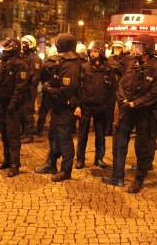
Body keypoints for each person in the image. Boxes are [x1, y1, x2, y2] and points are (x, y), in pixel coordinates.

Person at [102, 34, 157, 194]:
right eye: (134, 46)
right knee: (119, 142)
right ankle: (117, 176)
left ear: (148, 48)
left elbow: (155, 93)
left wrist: (135, 104)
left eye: (139, 46)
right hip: (127, 110)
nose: (135, 49)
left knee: (142, 146)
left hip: (145, 113)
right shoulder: (131, 63)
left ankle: (139, 179)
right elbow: (121, 84)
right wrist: (123, 100)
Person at [35, 33, 82, 182]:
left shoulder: (71, 65)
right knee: (53, 135)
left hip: (65, 108)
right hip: (57, 107)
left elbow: (66, 90)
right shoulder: (64, 62)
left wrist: (50, 89)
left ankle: (66, 170)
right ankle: (51, 163)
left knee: (64, 139)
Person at [76, 41, 117, 169]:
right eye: (90, 52)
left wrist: (109, 105)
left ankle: (99, 158)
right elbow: (78, 87)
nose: (92, 54)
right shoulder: (84, 67)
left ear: (101, 52)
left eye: (95, 51)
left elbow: (113, 88)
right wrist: (78, 105)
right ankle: (80, 159)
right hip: (86, 106)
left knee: (100, 134)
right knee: (82, 134)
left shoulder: (108, 69)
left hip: (102, 107)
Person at [0, 37, 29, 177]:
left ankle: (15, 164)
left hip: (13, 105)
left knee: (13, 135)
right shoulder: (2, 63)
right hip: (2, 103)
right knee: (4, 134)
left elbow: (20, 88)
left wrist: (13, 104)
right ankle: (7, 160)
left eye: (5, 49)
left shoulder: (21, 65)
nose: (2, 52)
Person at [20, 35, 42, 144]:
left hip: (29, 89)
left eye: (26, 43)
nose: (24, 45)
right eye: (23, 43)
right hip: (22, 88)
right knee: (23, 111)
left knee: (28, 111)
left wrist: (29, 88)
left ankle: (29, 135)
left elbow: (35, 76)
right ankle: (24, 132)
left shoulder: (35, 58)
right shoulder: (22, 56)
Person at [35, 45, 59, 137]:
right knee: (55, 111)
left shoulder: (45, 64)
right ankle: (54, 129)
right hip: (56, 90)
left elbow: (41, 77)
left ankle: (40, 129)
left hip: (46, 91)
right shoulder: (60, 64)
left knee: (43, 111)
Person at [106, 40, 128, 136]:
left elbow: (126, 71)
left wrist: (116, 68)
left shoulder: (126, 59)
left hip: (121, 86)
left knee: (122, 107)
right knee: (109, 108)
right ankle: (108, 128)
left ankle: (122, 128)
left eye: (119, 48)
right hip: (111, 86)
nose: (116, 49)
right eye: (115, 47)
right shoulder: (110, 58)